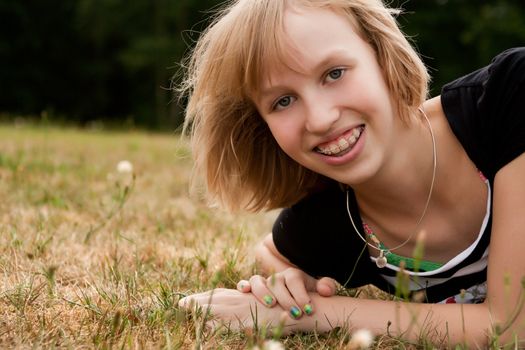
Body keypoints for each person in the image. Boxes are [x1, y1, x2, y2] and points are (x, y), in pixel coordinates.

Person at [177, 0, 525, 347]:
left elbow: (510, 328)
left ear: (382, 53)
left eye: (334, 73)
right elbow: (272, 253)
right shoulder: (334, 219)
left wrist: (313, 313)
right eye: (283, 101)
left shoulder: (510, 96)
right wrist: (289, 282)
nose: (320, 119)